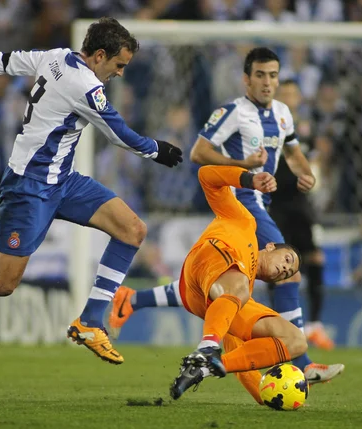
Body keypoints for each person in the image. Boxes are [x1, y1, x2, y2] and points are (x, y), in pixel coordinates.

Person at [0, 17, 183, 366]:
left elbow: (1, 61)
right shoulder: (86, 86)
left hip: (64, 181)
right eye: (119, 65)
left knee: (132, 230)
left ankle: (90, 321)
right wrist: (157, 150)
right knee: (2, 282)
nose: (120, 73)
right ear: (99, 55)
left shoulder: (54, 56)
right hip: (29, 187)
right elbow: (119, 135)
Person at [111, 47, 343, 383]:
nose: (267, 82)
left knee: (217, 287)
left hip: (263, 203)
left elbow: (292, 151)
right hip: (241, 200)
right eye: (260, 75)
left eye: (273, 75)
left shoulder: (282, 114)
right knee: (288, 271)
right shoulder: (232, 111)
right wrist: (244, 166)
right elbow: (199, 153)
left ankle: (132, 299)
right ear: (247, 79)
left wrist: (306, 172)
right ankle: (302, 361)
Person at [122, 164, 309, 401]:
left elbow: (243, 359)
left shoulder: (241, 295)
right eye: (287, 260)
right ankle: (207, 348)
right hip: (204, 261)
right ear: (271, 245)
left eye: (286, 273)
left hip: (210, 298)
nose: (284, 269)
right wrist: (249, 180)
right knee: (238, 289)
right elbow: (206, 175)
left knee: (296, 341)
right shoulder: (244, 221)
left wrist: (265, 396)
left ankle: (204, 366)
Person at [271, 80, 334, 350]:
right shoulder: (268, 127)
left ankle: (316, 326)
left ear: (299, 98)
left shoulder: (306, 128)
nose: (288, 98)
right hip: (276, 204)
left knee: (315, 257)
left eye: (292, 94)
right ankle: (280, 326)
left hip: (302, 204)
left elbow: (316, 159)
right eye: (283, 94)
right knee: (277, 267)